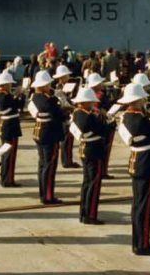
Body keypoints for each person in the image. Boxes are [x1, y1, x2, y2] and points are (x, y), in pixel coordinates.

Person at [116, 82, 150, 255]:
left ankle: (139, 242)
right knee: (145, 206)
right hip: (146, 161)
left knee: (138, 205)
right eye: (142, 99)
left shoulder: (127, 116)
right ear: (137, 101)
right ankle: (142, 245)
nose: (144, 101)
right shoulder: (139, 119)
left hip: (137, 160)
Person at [71, 86, 107, 225]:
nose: (93, 103)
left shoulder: (78, 112)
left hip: (86, 148)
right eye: (91, 101)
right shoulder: (87, 116)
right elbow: (103, 129)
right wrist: (103, 118)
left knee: (87, 182)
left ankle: (84, 212)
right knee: (94, 183)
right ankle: (90, 214)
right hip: (93, 149)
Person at [28, 69, 64, 205]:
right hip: (50, 135)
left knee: (42, 164)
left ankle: (43, 193)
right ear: (44, 86)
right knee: (50, 166)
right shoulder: (50, 100)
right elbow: (58, 115)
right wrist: (60, 102)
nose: (50, 86)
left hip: (39, 133)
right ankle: (48, 196)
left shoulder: (35, 97)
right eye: (48, 84)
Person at [0, 71, 22, 187]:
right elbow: (12, 107)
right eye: (9, 84)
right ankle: (8, 179)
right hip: (10, 126)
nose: (10, 86)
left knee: (7, 154)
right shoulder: (3, 96)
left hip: (7, 125)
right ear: (4, 85)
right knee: (10, 155)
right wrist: (17, 96)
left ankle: (7, 178)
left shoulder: (1, 95)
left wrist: (17, 97)